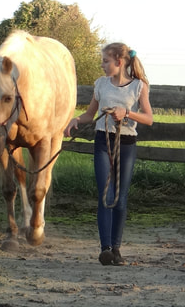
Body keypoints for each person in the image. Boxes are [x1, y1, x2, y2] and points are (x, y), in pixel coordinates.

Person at [64, 43, 153, 266]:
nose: (102, 65)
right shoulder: (101, 84)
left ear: (119, 62)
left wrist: (127, 113)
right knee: (106, 195)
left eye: (105, 61)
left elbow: (149, 118)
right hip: (103, 141)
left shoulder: (138, 87)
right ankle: (105, 249)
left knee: (120, 198)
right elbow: (89, 114)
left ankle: (116, 248)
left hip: (126, 143)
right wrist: (76, 119)